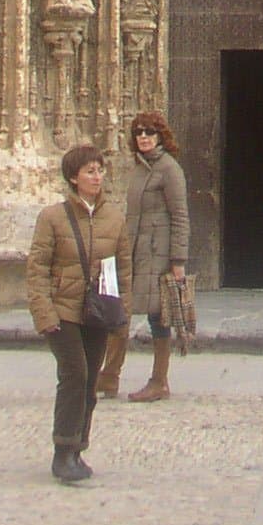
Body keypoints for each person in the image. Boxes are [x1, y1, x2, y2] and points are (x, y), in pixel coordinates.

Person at [26, 145, 132, 485]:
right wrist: (44, 313)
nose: (97, 177)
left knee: (90, 381)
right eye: (90, 171)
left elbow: (123, 268)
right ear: (74, 177)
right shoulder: (52, 217)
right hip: (63, 309)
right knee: (74, 374)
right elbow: (37, 267)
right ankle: (62, 449)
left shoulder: (114, 218)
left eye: (100, 170)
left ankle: (77, 448)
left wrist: (122, 312)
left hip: (97, 309)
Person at [97, 111, 189, 403]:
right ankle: (109, 375)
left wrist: (178, 261)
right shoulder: (139, 168)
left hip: (158, 254)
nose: (144, 137)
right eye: (138, 132)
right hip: (134, 251)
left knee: (158, 316)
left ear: (161, 135)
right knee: (119, 310)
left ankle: (159, 381)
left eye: (149, 131)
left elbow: (180, 216)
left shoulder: (169, 169)